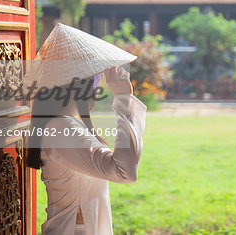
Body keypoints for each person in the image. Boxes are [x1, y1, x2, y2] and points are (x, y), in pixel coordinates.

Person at [23, 23, 147, 235]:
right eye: (95, 78)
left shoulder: (63, 124)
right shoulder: (61, 128)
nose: (98, 84)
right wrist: (123, 100)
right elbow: (124, 171)